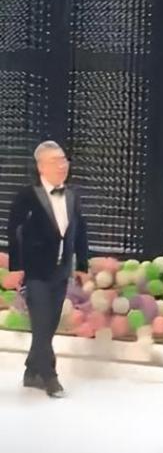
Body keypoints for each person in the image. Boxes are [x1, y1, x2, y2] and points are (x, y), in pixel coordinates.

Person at [7, 141, 89, 398]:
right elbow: (14, 232)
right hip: (35, 271)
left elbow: (80, 231)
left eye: (64, 160)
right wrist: (16, 267)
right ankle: (50, 376)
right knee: (41, 324)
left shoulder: (72, 195)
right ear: (41, 166)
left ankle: (31, 371)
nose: (62, 165)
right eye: (55, 161)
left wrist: (82, 265)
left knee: (49, 325)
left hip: (61, 271)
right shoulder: (26, 196)